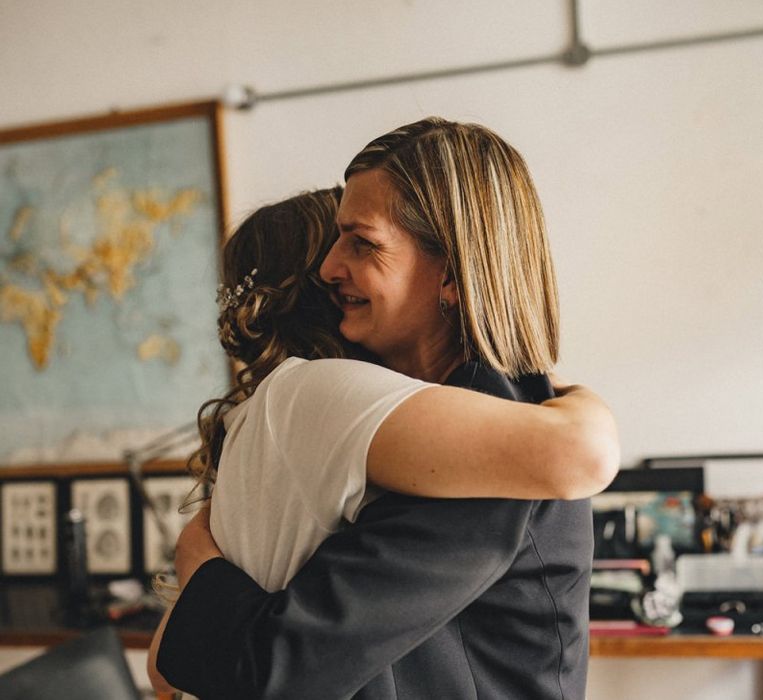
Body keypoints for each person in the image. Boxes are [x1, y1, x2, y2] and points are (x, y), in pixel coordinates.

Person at [156, 117, 620, 699]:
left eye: (361, 242)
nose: (329, 268)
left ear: (451, 273)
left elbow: (281, 669)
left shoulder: (487, 436)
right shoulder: (428, 419)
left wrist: (198, 562)